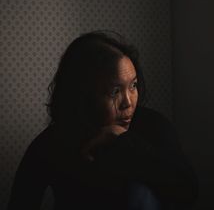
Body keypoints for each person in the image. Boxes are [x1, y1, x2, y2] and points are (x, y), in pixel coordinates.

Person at [7, 30, 198, 210]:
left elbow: (187, 192)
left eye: (133, 85)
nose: (128, 102)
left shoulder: (153, 125)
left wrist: (125, 142)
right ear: (83, 95)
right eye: (115, 91)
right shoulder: (53, 143)